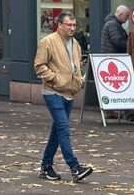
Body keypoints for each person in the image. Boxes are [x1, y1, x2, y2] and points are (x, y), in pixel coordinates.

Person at [34, 11, 93, 182]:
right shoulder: (48, 42)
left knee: (58, 130)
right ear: (59, 25)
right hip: (53, 91)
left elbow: (76, 64)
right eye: (69, 25)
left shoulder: (75, 43)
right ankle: (75, 167)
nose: (72, 28)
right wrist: (55, 78)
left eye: (74, 25)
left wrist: (79, 80)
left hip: (69, 91)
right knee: (63, 128)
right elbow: (39, 66)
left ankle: (46, 167)